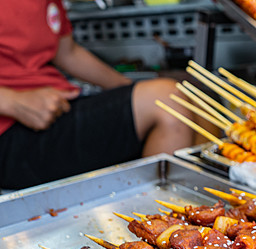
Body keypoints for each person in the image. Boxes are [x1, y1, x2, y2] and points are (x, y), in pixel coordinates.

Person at [0, 1, 194, 190]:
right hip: (10, 131)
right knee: (167, 103)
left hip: (56, 108)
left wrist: (130, 91)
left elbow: (67, 52)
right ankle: (159, 219)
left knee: (187, 104)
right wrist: (14, 102)